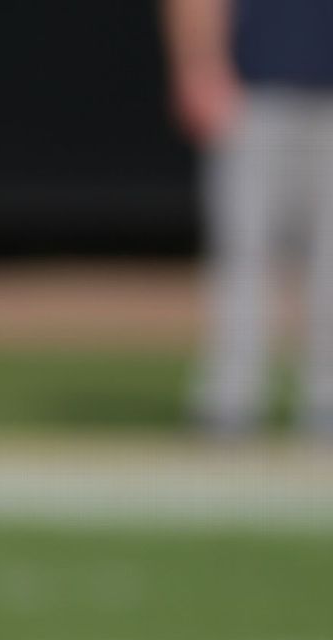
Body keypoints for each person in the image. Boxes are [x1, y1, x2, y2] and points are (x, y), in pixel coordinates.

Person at [161, 0, 333, 437]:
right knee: (243, 253)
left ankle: (325, 401)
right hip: (252, 89)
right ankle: (232, 399)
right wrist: (197, 65)